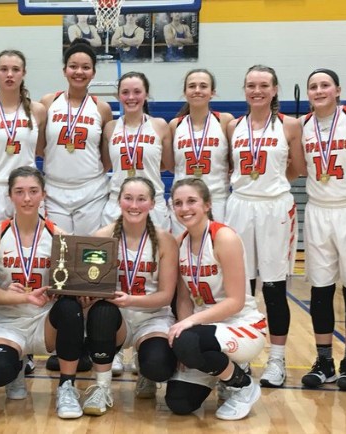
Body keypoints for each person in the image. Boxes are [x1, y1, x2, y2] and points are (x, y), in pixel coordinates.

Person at [0, 167, 87, 419]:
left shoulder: (60, 236)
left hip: (46, 322)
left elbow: (76, 284)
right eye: (20, 192)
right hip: (10, 321)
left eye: (33, 191)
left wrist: (76, 294)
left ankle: (66, 387)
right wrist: (13, 293)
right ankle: (15, 366)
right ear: (10, 196)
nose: (27, 198)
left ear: (43, 195)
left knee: (70, 308)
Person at [225, 64, 305, 388]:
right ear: (244, 90)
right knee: (241, 289)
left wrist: (269, 188)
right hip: (240, 205)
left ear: (274, 90)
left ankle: (276, 359)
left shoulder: (290, 125)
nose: (257, 91)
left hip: (274, 208)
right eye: (251, 85)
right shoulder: (232, 125)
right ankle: (241, 355)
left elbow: (297, 167)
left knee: (273, 288)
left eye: (264, 85)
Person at [165, 178, 266, 421]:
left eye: (191, 201)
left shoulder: (224, 237)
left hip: (241, 325)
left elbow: (235, 301)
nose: (184, 208)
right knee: (178, 402)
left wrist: (189, 329)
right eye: (178, 203)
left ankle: (243, 385)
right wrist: (184, 336)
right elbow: (184, 300)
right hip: (204, 330)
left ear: (207, 204)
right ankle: (224, 373)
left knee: (187, 340)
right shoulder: (180, 243)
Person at [298, 69, 346, 391]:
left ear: (338, 89)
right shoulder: (301, 125)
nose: (318, 90)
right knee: (321, 289)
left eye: (324, 85)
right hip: (317, 211)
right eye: (313, 86)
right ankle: (324, 360)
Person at [84, 176, 178, 416]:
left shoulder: (165, 241)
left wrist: (131, 300)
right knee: (101, 312)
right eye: (128, 198)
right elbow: (90, 285)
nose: (134, 205)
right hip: (115, 319)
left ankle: (146, 370)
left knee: (159, 366)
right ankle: (102, 386)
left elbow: (166, 296)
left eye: (141, 199)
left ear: (152, 204)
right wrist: (86, 296)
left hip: (152, 317)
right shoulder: (100, 237)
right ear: (119, 201)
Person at [39, 39, 113, 235]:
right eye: (73, 66)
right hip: (54, 189)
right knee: (58, 251)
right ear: (64, 70)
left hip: (91, 191)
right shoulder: (48, 102)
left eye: (86, 67)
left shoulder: (102, 108)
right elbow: (40, 147)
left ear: (93, 73)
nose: (79, 72)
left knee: (88, 252)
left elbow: (106, 158)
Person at [0, 50, 46, 232]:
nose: (10, 74)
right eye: (4, 69)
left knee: (31, 247)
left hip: (26, 190)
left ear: (24, 73)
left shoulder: (38, 110)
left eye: (15, 69)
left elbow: (40, 150)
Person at [165, 69, 234, 235]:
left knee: (216, 255)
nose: (197, 90)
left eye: (203, 86)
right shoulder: (175, 125)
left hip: (216, 200)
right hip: (184, 204)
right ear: (185, 92)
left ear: (212, 93)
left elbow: (232, 163)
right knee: (183, 255)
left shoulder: (225, 121)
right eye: (192, 86)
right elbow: (171, 166)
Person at [102, 72, 171, 230]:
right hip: (118, 202)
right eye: (125, 92)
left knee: (155, 253)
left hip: (152, 202)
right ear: (118, 95)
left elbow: (167, 164)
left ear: (146, 94)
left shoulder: (159, 125)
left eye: (137, 92)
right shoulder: (110, 128)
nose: (131, 97)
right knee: (114, 254)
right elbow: (107, 164)